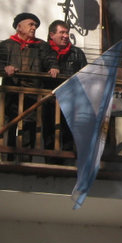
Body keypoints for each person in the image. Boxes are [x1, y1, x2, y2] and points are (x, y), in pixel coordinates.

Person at [0, 12, 46, 161]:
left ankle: (26, 160)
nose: (34, 28)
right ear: (19, 26)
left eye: (35, 25)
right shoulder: (6, 45)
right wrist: (5, 69)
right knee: (8, 126)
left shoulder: (41, 46)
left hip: (32, 96)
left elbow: (49, 62)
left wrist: (53, 68)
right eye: (31, 24)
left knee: (30, 128)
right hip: (11, 95)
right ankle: (6, 158)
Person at [42, 20, 88, 152]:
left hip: (71, 100)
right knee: (49, 133)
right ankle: (50, 163)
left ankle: (68, 160)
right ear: (52, 35)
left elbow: (85, 75)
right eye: (62, 32)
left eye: (67, 32)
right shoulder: (43, 51)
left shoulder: (77, 53)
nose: (66, 36)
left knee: (68, 133)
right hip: (48, 101)